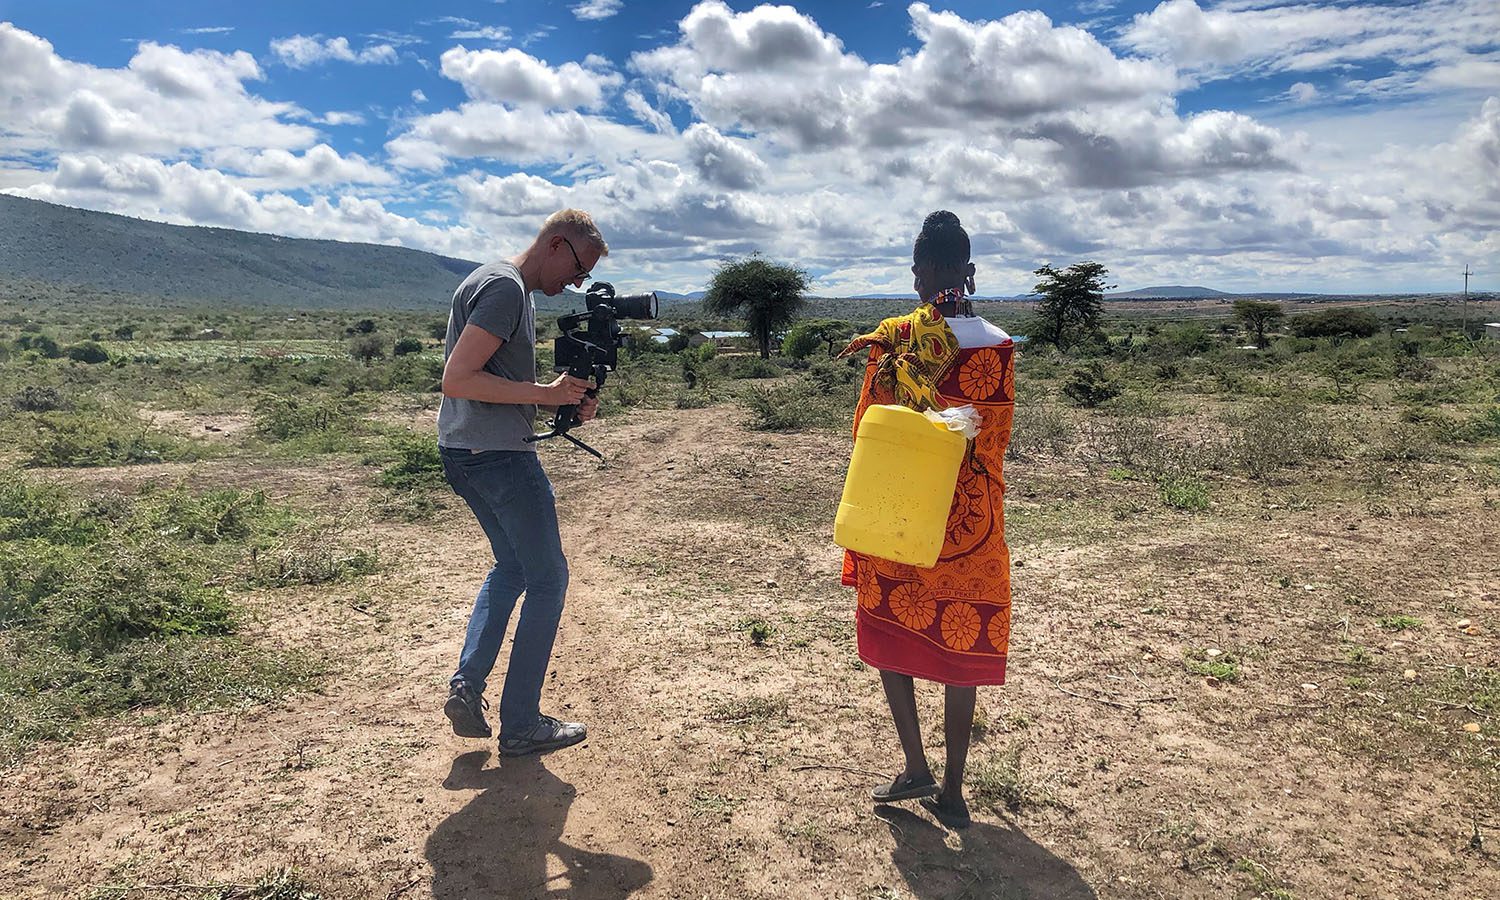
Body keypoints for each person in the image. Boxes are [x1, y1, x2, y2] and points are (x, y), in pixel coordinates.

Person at [839, 211, 1016, 828]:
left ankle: (915, 766)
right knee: (959, 644)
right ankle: (954, 791)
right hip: (971, 527)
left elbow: (872, 434)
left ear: (921, 273)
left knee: (892, 628)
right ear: (968, 270)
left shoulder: (895, 341)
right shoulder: (997, 346)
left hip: (900, 516)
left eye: (919, 270)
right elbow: (991, 445)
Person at [437, 209, 607, 757]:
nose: (577, 283)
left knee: (511, 568)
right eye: (579, 267)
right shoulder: (507, 289)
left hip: (463, 449)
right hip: (499, 458)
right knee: (550, 579)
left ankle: (467, 685)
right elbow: (459, 378)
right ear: (557, 244)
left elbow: (489, 381)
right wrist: (548, 394)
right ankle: (521, 722)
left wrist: (561, 400)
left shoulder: (493, 281)